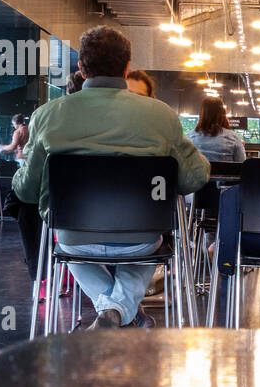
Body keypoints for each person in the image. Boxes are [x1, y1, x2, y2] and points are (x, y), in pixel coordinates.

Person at [13, 26, 209, 329]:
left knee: (69, 245)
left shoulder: (47, 115)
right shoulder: (161, 115)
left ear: (80, 67)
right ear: (127, 67)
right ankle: (118, 311)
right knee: (148, 245)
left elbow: (26, 190)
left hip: (74, 236)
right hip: (140, 239)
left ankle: (112, 311)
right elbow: (193, 180)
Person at [186, 97, 245, 162]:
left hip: (198, 172)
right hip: (224, 172)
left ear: (201, 113)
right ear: (223, 114)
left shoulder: (189, 137)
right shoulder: (233, 137)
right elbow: (242, 163)